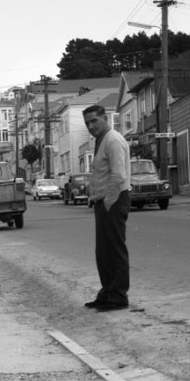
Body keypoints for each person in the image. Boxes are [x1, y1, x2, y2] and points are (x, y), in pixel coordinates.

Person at [82, 104, 131, 311]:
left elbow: (118, 175)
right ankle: (107, 292)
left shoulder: (112, 140)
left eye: (94, 121)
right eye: (87, 123)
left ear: (105, 119)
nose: (91, 126)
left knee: (114, 250)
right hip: (103, 201)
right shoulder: (101, 141)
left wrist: (109, 201)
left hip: (114, 200)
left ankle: (118, 297)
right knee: (103, 251)